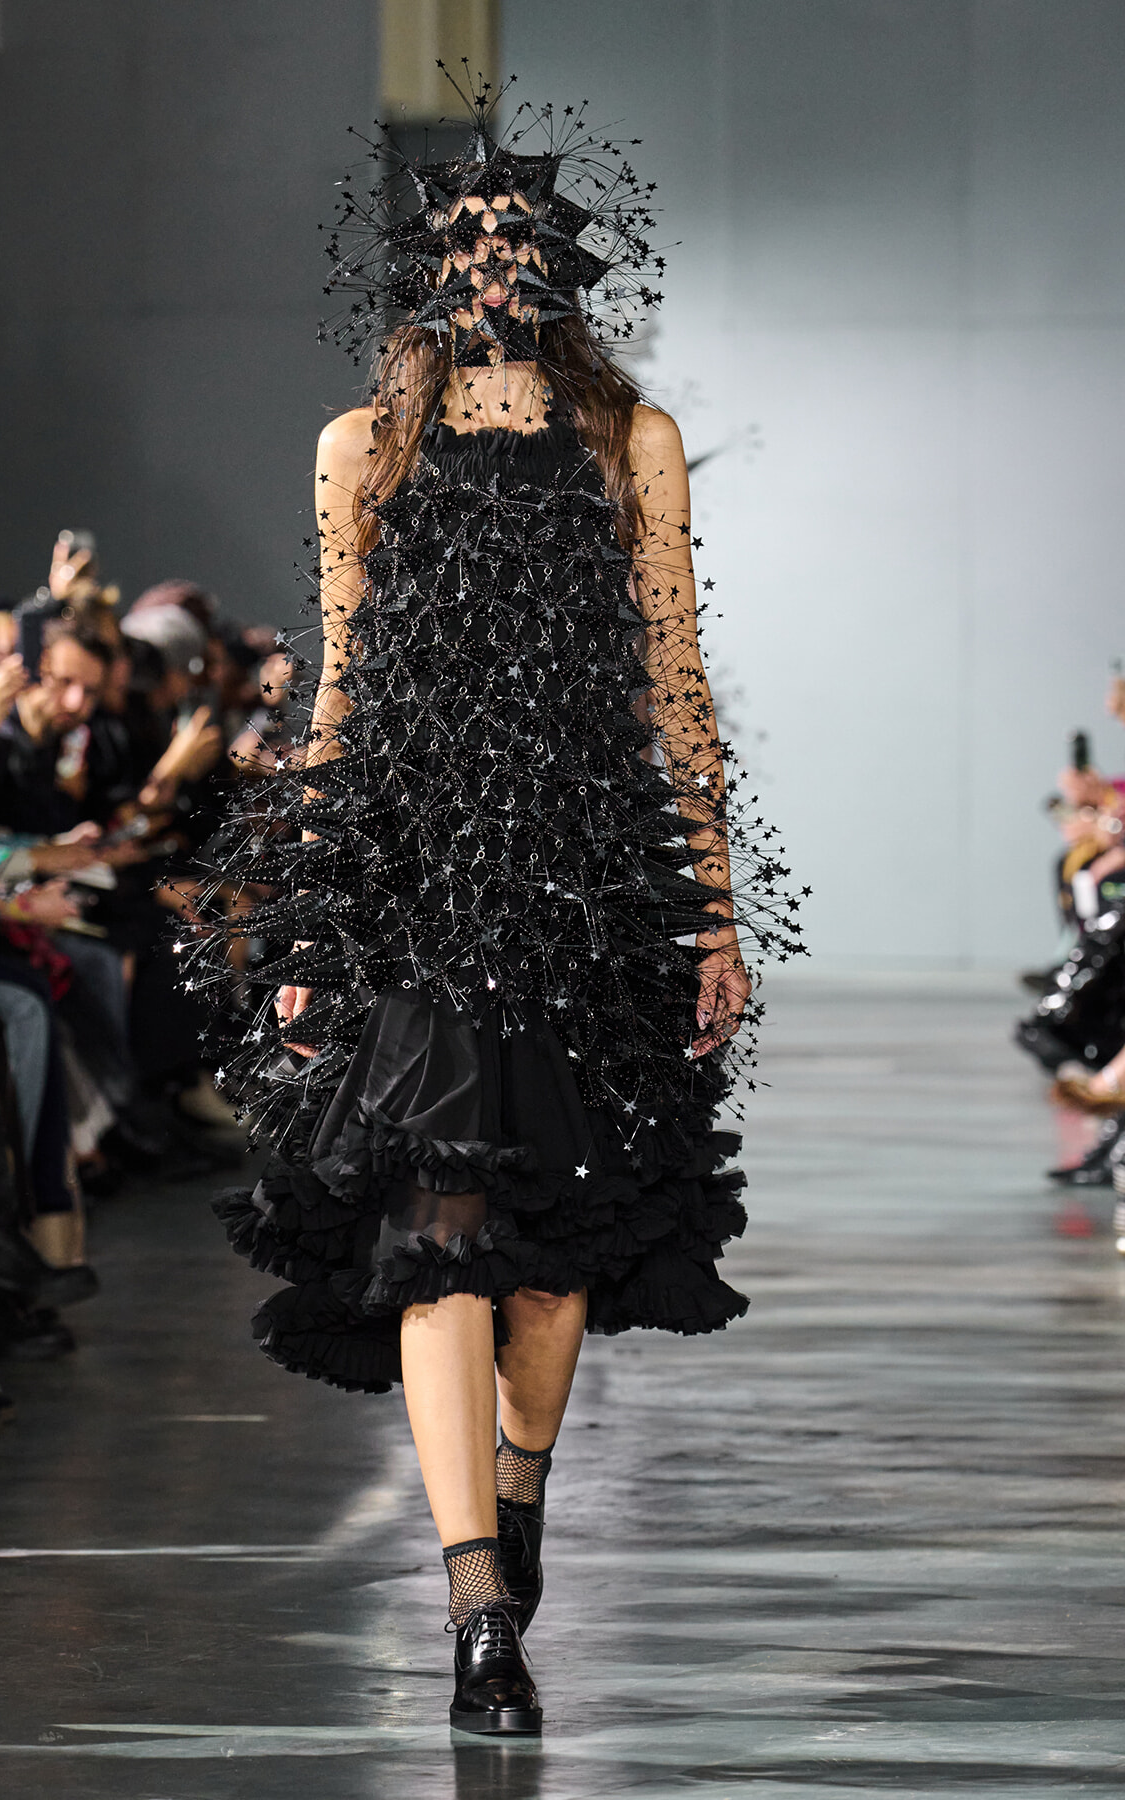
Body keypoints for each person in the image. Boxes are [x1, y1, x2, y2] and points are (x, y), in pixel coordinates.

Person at [200, 86, 801, 1735]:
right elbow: (339, 695)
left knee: (557, 1253)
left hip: (593, 876)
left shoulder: (633, 444)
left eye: (520, 236)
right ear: (422, 265)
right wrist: (314, 920)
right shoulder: (358, 448)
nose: (493, 264)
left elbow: (678, 690)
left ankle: (516, 1494)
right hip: (412, 882)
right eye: (465, 239)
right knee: (438, 1234)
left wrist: (717, 913)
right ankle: (477, 1595)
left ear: (566, 259)